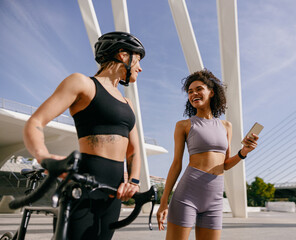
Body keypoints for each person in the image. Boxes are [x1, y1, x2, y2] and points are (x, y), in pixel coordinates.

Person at [23, 31, 145, 240]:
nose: (140, 68)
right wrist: (45, 158)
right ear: (123, 55)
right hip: (83, 185)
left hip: (113, 191)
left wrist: (133, 181)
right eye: (138, 60)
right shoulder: (82, 83)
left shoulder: (128, 103)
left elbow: (133, 150)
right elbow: (35, 122)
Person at [156, 69, 259, 240]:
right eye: (190, 92)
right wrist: (163, 200)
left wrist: (243, 152)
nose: (193, 94)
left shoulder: (226, 126)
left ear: (211, 92)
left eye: (198, 89)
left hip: (215, 197)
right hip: (187, 194)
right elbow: (176, 164)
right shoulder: (184, 125)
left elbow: (225, 164)